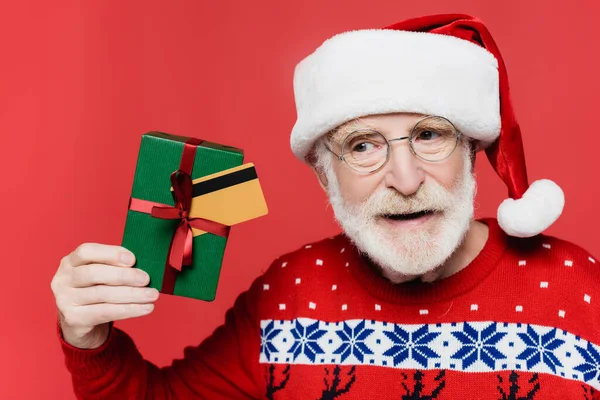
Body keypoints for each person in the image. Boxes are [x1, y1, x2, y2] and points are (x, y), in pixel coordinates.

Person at [52, 14, 600, 400]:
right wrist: (88, 339)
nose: (405, 180)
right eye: (363, 146)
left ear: (474, 149)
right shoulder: (288, 292)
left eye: (431, 136)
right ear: (323, 172)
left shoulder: (579, 287)